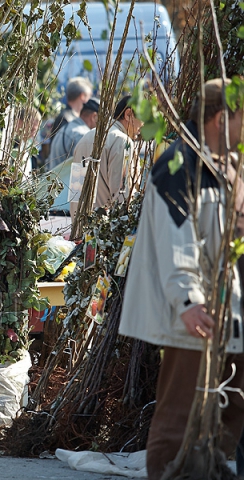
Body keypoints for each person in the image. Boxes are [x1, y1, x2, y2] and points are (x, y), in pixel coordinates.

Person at [119, 78, 244, 480]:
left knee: (232, 403)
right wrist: (190, 302)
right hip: (193, 314)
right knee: (178, 414)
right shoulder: (176, 165)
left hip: (229, 311)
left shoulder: (230, 167)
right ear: (222, 118)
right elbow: (178, 241)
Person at [70, 96, 144, 209]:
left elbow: (76, 196)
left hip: (81, 223)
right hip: (107, 224)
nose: (143, 125)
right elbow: (123, 197)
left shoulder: (86, 138)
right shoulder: (124, 142)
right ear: (128, 114)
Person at [40, 76, 94, 163]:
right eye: (89, 96)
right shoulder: (65, 119)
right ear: (83, 96)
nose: (91, 100)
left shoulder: (69, 117)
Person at [47, 97, 99, 170]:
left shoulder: (66, 128)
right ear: (94, 117)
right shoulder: (82, 135)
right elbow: (80, 174)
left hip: (55, 180)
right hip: (67, 181)